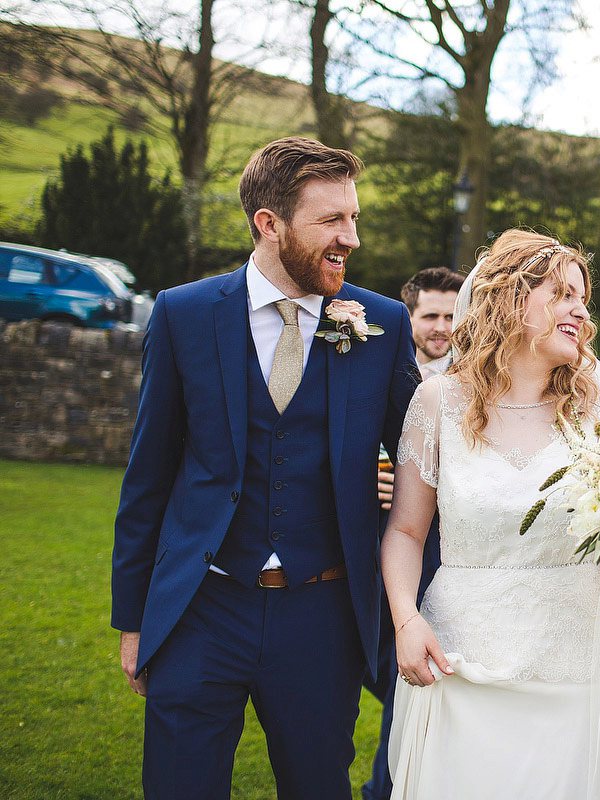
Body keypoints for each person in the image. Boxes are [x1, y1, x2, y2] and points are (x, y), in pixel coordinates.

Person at [110, 136, 420, 800]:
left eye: (355, 218)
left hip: (324, 616)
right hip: (201, 608)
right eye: (332, 221)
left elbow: (431, 464)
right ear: (269, 224)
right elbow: (148, 478)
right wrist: (134, 621)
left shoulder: (383, 325)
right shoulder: (184, 314)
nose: (352, 238)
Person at [380, 229, 600, 799]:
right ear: (510, 300)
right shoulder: (438, 402)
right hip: (461, 659)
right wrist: (405, 619)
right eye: (563, 294)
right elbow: (404, 529)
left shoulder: (596, 400)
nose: (580, 311)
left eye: (583, 298)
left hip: (575, 665)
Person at [363, 267, 464, 800]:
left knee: (415, 684)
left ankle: (388, 785)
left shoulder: (474, 385)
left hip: (447, 555)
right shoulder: (376, 371)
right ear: (409, 318)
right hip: (372, 549)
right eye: (431, 315)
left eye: (452, 315)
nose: (443, 326)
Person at [400, 266, 463, 379]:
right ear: (408, 317)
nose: (441, 328)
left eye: (450, 317)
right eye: (431, 316)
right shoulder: (388, 366)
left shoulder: (471, 375)